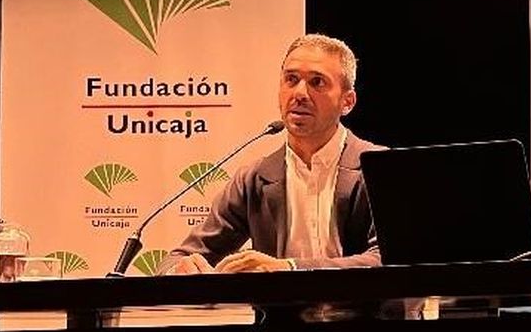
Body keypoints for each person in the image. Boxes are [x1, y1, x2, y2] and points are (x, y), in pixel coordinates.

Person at [164, 33, 383, 272]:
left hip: (366, 299)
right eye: (291, 79)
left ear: (347, 102)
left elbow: (390, 258)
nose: (300, 93)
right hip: (276, 301)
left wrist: (290, 268)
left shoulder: (380, 168)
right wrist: (179, 270)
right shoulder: (254, 179)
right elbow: (179, 257)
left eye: (317, 82)